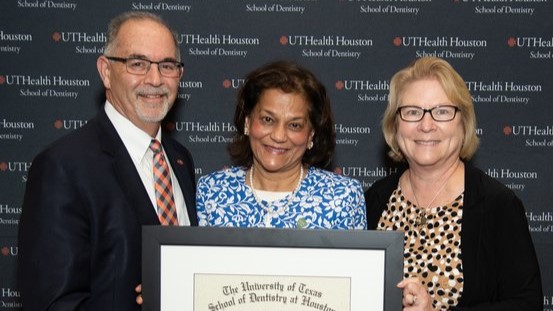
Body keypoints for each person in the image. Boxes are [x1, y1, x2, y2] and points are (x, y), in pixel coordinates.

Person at [17, 11, 197, 310]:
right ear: (106, 71)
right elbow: (52, 304)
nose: (154, 79)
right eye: (137, 64)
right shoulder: (62, 167)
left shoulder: (180, 161)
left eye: (167, 66)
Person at [364, 56, 542, 310]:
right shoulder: (374, 200)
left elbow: (527, 305)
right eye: (412, 112)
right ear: (395, 125)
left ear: (463, 123)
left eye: (442, 112)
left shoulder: (497, 205)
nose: (426, 125)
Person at [196, 60, 366, 229]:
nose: (278, 136)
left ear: (310, 135)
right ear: (247, 122)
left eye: (294, 125)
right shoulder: (212, 191)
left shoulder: (342, 197)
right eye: (268, 120)